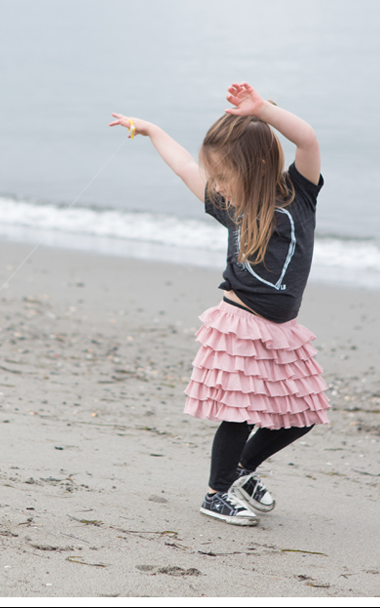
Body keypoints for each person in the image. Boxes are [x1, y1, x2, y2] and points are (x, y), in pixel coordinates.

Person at [109, 82, 330, 526]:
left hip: (282, 329)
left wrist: (263, 110)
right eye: (217, 178)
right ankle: (216, 492)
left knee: (301, 413)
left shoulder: (298, 196)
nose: (218, 187)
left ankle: (243, 471)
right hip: (241, 322)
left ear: (256, 167)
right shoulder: (231, 206)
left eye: (225, 176)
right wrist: (152, 131)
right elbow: (184, 167)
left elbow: (306, 139)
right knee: (240, 413)